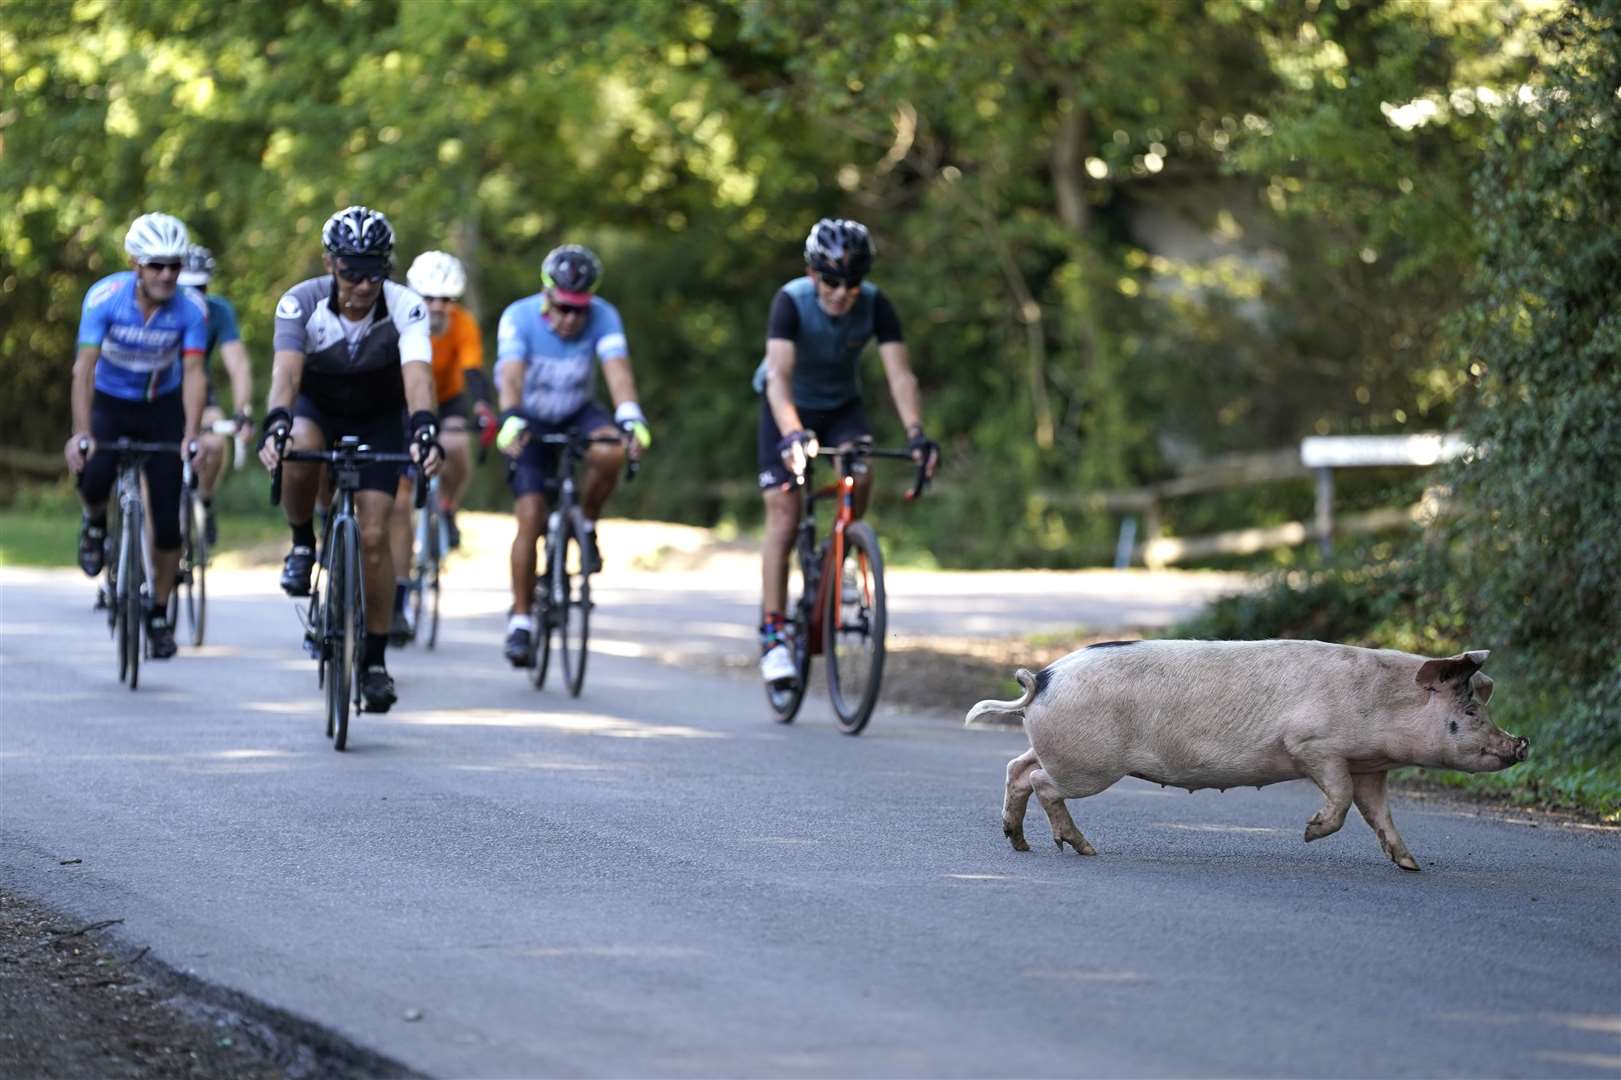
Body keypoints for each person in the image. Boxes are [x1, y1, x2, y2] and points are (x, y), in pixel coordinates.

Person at [256, 206, 442, 712]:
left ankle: (375, 661)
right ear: (329, 263)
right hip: (320, 407)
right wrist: (276, 418)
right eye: (351, 272)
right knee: (295, 444)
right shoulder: (301, 302)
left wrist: (425, 426)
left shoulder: (406, 306)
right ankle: (301, 543)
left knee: (377, 536)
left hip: (380, 414)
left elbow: (419, 376)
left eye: (374, 271)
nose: (362, 285)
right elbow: (287, 376)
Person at [754, 218, 939, 687]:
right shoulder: (790, 302)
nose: (841, 292)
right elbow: (778, 376)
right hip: (787, 406)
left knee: (863, 470)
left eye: (852, 282)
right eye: (832, 281)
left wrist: (916, 432)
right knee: (783, 510)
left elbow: (900, 375)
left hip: (841, 406)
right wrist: (793, 434)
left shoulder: (875, 304)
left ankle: (842, 548)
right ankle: (773, 635)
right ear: (812, 273)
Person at [493, 244, 651, 666]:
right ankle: (521, 620)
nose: (570, 319)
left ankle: (585, 521)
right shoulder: (518, 316)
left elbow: (618, 371)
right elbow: (510, 376)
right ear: (547, 295)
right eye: (563, 309)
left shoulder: (604, 316)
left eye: (579, 311)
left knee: (612, 449)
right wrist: (509, 417)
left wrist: (632, 417)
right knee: (530, 516)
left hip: (577, 411)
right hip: (529, 415)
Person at [64, 212, 208, 660]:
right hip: (108, 402)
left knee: (168, 520)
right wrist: (81, 432)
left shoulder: (191, 309)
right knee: (93, 475)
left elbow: (194, 373)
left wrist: (190, 434)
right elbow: (83, 369)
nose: (167, 274)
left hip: (159, 406)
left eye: (175, 266)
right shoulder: (103, 298)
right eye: (157, 265)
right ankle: (93, 524)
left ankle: (159, 612)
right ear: (136, 264)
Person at [385, 250, 491, 643]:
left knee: (457, 444)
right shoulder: (398, 318)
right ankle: (398, 596)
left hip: (445, 400)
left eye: (446, 299)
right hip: (402, 402)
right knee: (399, 500)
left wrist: (481, 407)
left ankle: (447, 507)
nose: (437, 307)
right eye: (429, 298)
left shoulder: (463, 324)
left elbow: (473, 371)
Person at [177, 243, 253, 545]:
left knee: (215, 441)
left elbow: (238, 364)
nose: (193, 294)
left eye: (200, 286)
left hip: (197, 392)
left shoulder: (218, 311)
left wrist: (242, 412)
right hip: (156, 391)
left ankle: (204, 501)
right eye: (186, 288)